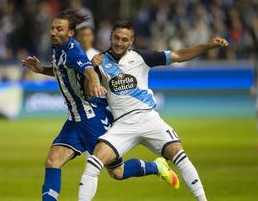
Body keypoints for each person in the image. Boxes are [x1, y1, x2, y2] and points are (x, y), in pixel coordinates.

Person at [22, 11, 178, 201]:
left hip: (92, 118)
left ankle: (157, 167)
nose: (53, 32)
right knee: (52, 161)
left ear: (70, 33)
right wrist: (41, 70)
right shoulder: (58, 49)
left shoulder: (73, 50)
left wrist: (95, 83)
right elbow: (64, 71)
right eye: (53, 28)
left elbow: (88, 70)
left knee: (117, 172)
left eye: (59, 29)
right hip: (74, 120)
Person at [78, 20, 229, 201]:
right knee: (93, 164)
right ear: (110, 37)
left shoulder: (142, 57)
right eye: (116, 38)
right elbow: (88, 92)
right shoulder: (99, 61)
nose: (119, 43)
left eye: (124, 39)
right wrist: (91, 69)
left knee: (180, 155)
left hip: (148, 118)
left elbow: (179, 55)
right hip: (122, 124)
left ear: (131, 41)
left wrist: (207, 46)